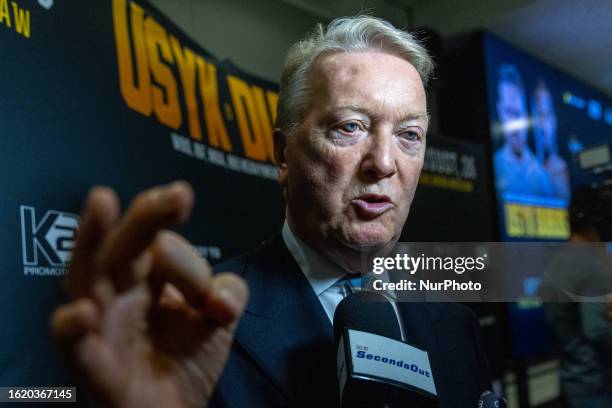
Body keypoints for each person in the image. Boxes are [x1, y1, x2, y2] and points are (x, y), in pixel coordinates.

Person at [51, 16, 491, 407]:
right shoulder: (195, 327)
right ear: (283, 154)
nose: (384, 162)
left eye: (409, 134)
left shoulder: (456, 322)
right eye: (351, 127)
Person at [541, 186, 612, 407]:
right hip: (597, 385)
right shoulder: (592, 266)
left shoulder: (558, 262)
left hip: (573, 381)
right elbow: (598, 330)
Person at [493, 64, 553, 198]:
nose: (515, 124)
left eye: (518, 113)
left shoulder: (541, 175)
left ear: (526, 112)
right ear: (500, 110)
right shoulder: (495, 166)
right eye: (509, 111)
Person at [531, 80, 570, 200]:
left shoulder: (561, 167)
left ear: (554, 121)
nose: (542, 126)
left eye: (546, 115)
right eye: (538, 116)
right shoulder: (527, 168)